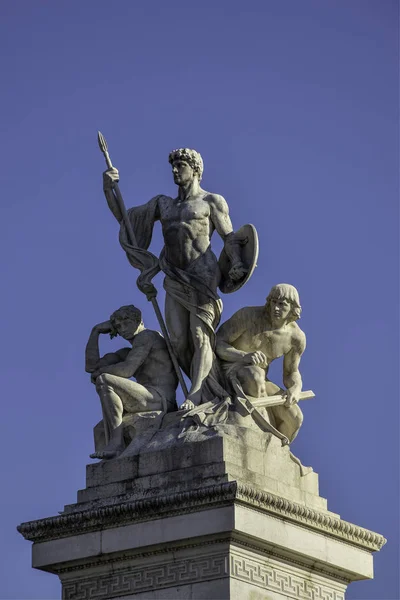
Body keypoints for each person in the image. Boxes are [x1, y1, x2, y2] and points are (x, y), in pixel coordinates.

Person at [103, 148, 247, 408]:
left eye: (180, 165)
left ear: (195, 169)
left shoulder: (212, 201)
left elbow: (230, 238)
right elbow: (126, 219)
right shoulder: (163, 204)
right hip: (173, 276)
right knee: (179, 340)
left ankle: (196, 392)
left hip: (203, 275)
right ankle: (204, 386)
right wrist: (109, 189)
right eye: (173, 166)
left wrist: (237, 263)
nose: (174, 170)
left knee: (200, 335)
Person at [215, 284, 306, 444]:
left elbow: (291, 373)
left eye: (282, 304)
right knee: (255, 377)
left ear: (292, 308)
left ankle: (274, 452)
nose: (276, 308)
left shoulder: (296, 338)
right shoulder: (248, 316)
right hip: (230, 368)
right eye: (273, 302)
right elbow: (217, 343)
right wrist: (243, 356)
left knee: (295, 418)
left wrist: (295, 388)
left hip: (260, 378)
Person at [85, 305, 177, 459]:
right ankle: (113, 451)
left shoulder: (148, 336)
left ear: (139, 321)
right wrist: (95, 332)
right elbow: (91, 366)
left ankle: (116, 444)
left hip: (160, 397)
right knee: (100, 429)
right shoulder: (128, 352)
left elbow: (127, 370)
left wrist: (100, 373)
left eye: (126, 323)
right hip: (147, 397)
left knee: (105, 380)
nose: (122, 329)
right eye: (118, 326)